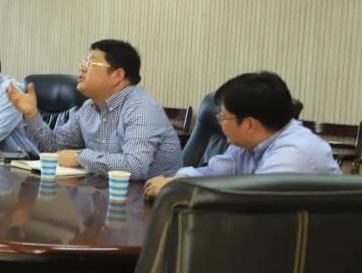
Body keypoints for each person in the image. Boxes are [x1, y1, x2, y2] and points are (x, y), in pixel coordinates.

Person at [144, 72, 340, 199]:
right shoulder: (248, 144)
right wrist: (176, 180)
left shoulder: (293, 154)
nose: (220, 122)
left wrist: (175, 191)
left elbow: (248, 200)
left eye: (223, 117)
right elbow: (212, 173)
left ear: (249, 124)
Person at [7, 39, 182, 180]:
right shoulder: (88, 108)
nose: (82, 67)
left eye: (90, 62)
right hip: (106, 196)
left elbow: (135, 166)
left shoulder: (141, 108)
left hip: (155, 204)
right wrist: (31, 114)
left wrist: (79, 157)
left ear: (117, 75)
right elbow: (54, 149)